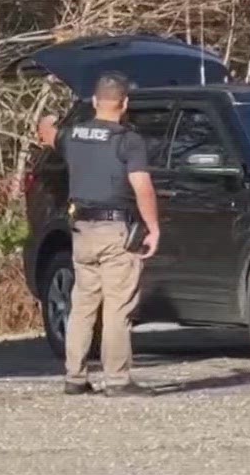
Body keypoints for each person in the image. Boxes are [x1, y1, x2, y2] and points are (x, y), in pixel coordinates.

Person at [36, 72, 161, 396]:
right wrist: (153, 226)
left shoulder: (74, 134)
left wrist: (48, 116)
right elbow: (142, 187)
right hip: (115, 230)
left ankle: (75, 376)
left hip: (81, 231)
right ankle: (117, 379)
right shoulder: (128, 140)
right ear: (125, 104)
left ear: (94, 102)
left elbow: (48, 133)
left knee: (83, 303)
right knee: (117, 306)